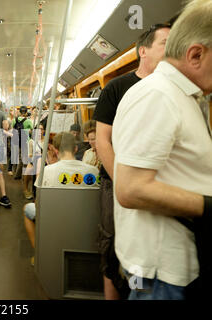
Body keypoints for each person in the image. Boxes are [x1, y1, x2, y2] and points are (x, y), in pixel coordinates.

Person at [112, 0, 212, 300]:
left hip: (173, 266)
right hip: (159, 273)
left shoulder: (184, 97)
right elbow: (130, 189)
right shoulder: (158, 95)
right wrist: (208, 206)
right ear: (196, 54)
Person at [92, 21, 171, 300]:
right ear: (143, 52)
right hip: (116, 181)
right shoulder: (116, 87)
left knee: (145, 251)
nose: (172, 50)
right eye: (165, 44)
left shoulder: (172, 91)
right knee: (112, 245)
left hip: (157, 184)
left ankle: (138, 293)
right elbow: (103, 140)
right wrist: (123, 182)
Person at [23, 132, 99, 265]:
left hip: (55, 219)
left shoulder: (47, 172)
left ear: (56, 150)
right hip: (84, 220)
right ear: (75, 149)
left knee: (27, 209)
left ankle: (39, 252)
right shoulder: (93, 171)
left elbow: (39, 201)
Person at [11, 106, 33, 179]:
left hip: (16, 140)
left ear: (19, 112)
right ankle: (19, 175)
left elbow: (12, 130)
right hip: (25, 141)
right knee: (23, 159)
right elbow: (31, 131)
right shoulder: (29, 121)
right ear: (26, 112)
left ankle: (15, 172)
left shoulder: (14, 120)